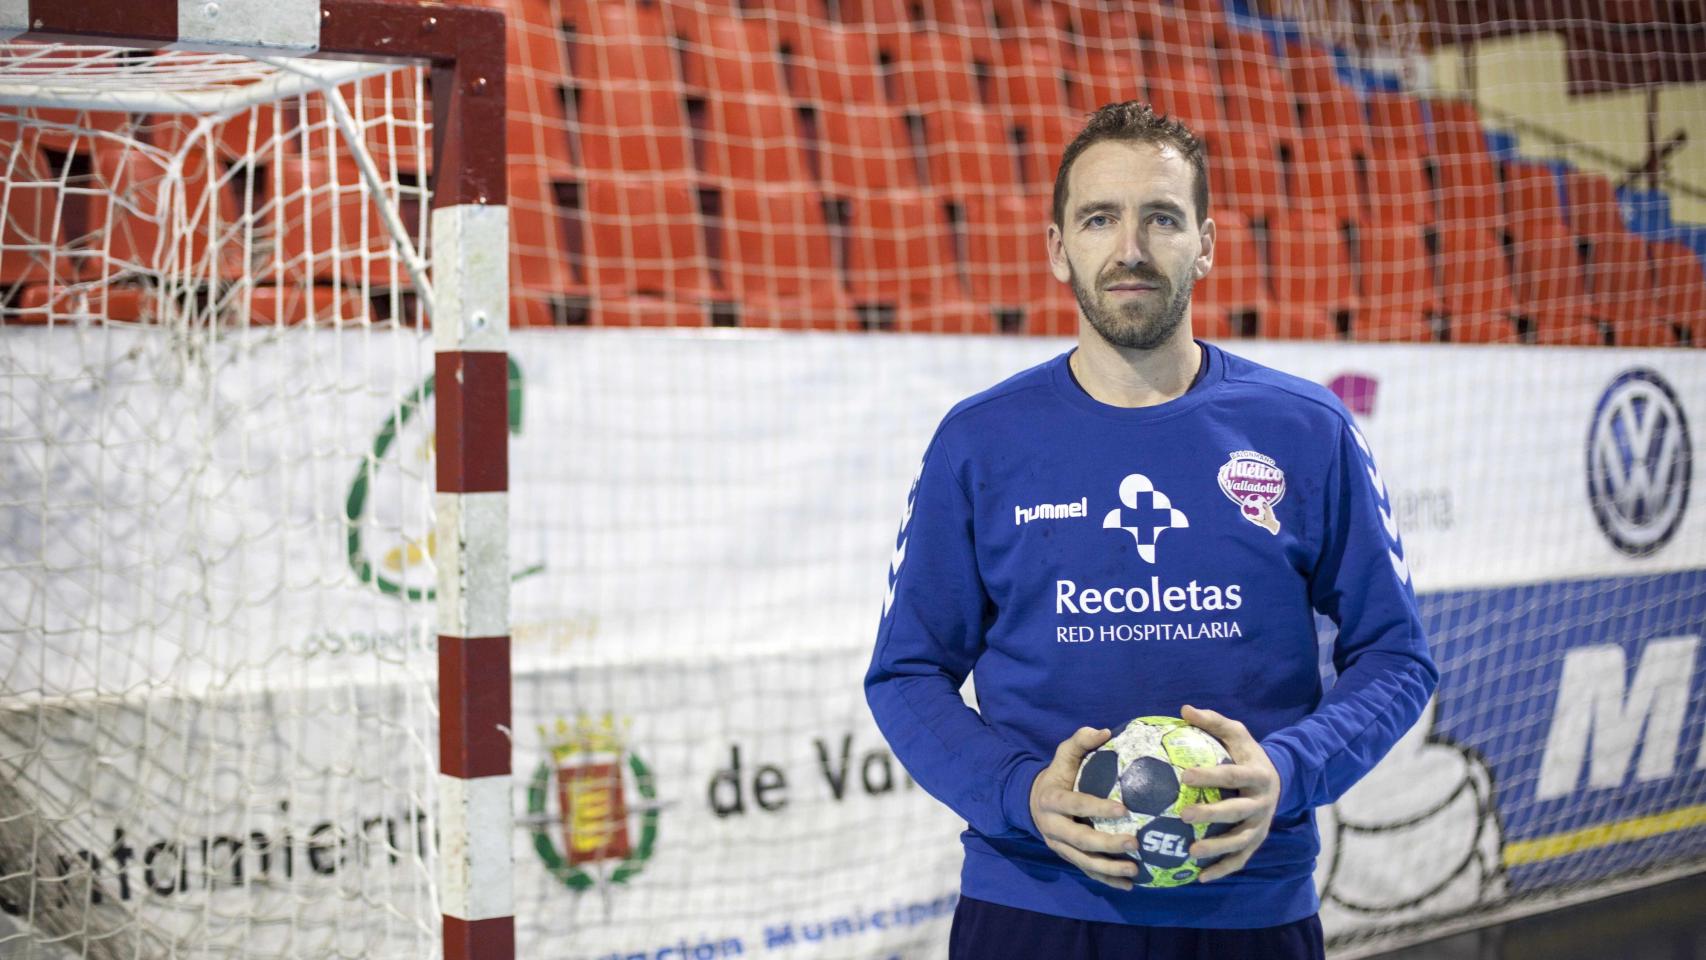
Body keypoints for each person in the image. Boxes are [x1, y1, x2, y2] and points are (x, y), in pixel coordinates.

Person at [863, 100, 1439, 959]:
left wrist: (1287, 772)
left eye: (1161, 219)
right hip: (1035, 908)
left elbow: (1396, 657)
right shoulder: (979, 442)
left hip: (1249, 912)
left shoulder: (1305, 431)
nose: (1130, 249)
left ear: (1206, 242)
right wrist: (1022, 794)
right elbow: (907, 672)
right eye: (1099, 218)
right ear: (1059, 248)